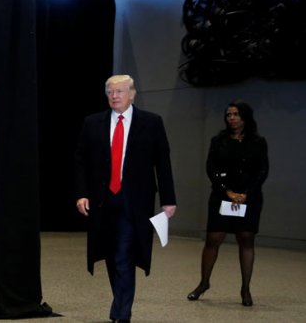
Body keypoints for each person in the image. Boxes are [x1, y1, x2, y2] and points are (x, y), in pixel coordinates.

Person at [74, 75, 177, 323]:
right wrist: (81, 193)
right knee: (111, 254)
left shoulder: (151, 123)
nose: (114, 96)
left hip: (134, 201)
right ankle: (119, 304)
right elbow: (80, 160)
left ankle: (122, 313)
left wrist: (168, 199)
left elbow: (162, 162)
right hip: (103, 200)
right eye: (110, 92)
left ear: (132, 94)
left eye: (119, 91)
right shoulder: (93, 123)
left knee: (123, 254)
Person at [187, 100, 268, 306]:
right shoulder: (219, 140)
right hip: (222, 196)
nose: (231, 118)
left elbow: (262, 170)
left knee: (246, 239)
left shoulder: (258, 142)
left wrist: (246, 193)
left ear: (245, 117)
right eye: (228, 114)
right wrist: (227, 191)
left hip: (248, 197)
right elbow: (211, 168)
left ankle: (245, 289)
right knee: (213, 239)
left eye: (235, 114)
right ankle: (204, 283)